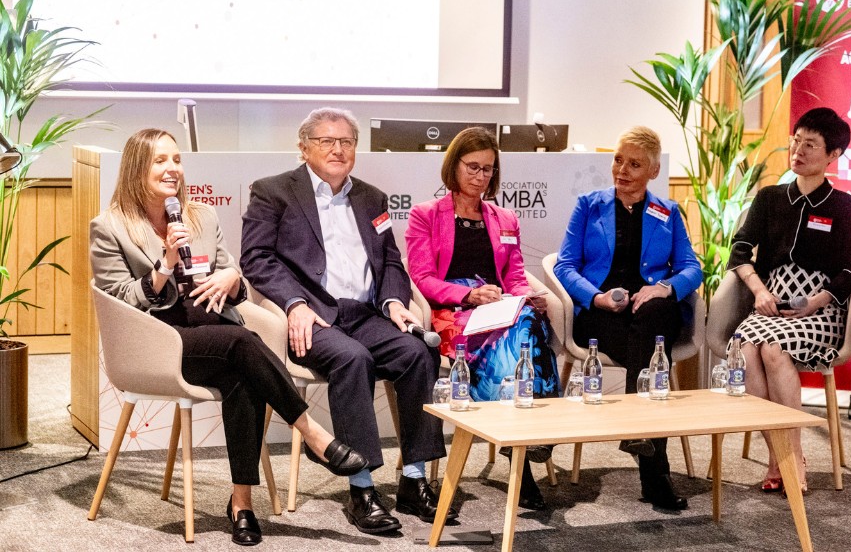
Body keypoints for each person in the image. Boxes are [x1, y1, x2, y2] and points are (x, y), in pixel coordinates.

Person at [90, 128, 367, 547]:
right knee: (243, 344)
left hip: (215, 336)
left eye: (177, 160)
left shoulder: (201, 216)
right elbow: (119, 300)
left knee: (245, 371)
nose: (173, 169)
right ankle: (312, 431)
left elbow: (235, 278)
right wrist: (164, 265)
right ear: (135, 169)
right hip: (160, 344)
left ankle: (241, 504)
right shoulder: (110, 227)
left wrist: (230, 278)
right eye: (160, 161)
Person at [240, 107, 453, 535]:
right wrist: (295, 303)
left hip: (366, 313)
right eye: (326, 141)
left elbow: (390, 260)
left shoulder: (371, 197)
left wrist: (394, 300)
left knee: (419, 352)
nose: (338, 150)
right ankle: (362, 490)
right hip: (313, 317)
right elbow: (255, 259)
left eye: (346, 142)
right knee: (353, 360)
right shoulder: (273, 192)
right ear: (304, 148)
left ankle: (414, 479)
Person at [405, 127, 561, 511]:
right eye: (472, 167)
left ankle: (530, 438)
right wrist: (468, 295)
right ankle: (522, 452)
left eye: (488, 170)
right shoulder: (425, 215)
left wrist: (528, 295)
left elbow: (515, 276)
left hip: (498, 305)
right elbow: (422, 279)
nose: (480, 176)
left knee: (528, 321)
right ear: (453, 166)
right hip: (452, 311)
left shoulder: (505, 218)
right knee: (513, 336)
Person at [554, 125, 702, 511]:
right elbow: (566, 266)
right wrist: (597, 297)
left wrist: (664, 288)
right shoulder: (589, 205)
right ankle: (655, 471)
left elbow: (691, 267)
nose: (622, 170)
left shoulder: (667, 211)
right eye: (618, 159)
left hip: (649, 313)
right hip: (602, 316)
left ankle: (643, 442)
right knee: (654, 355)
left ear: (653, 171)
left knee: (654, 313)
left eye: (634, 164)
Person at [727, 106, 851, 494]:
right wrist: (759, 290)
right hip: (771, 298)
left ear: (832, 155)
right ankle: (781, 457)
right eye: (796, 140)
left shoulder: (844, 206)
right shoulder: (770, 198)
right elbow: (739, 252)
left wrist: (817, 300)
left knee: (774, 350)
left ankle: (789, 459)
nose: (799, 150)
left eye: (811, 144)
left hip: (820, 307)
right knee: (744, 346)